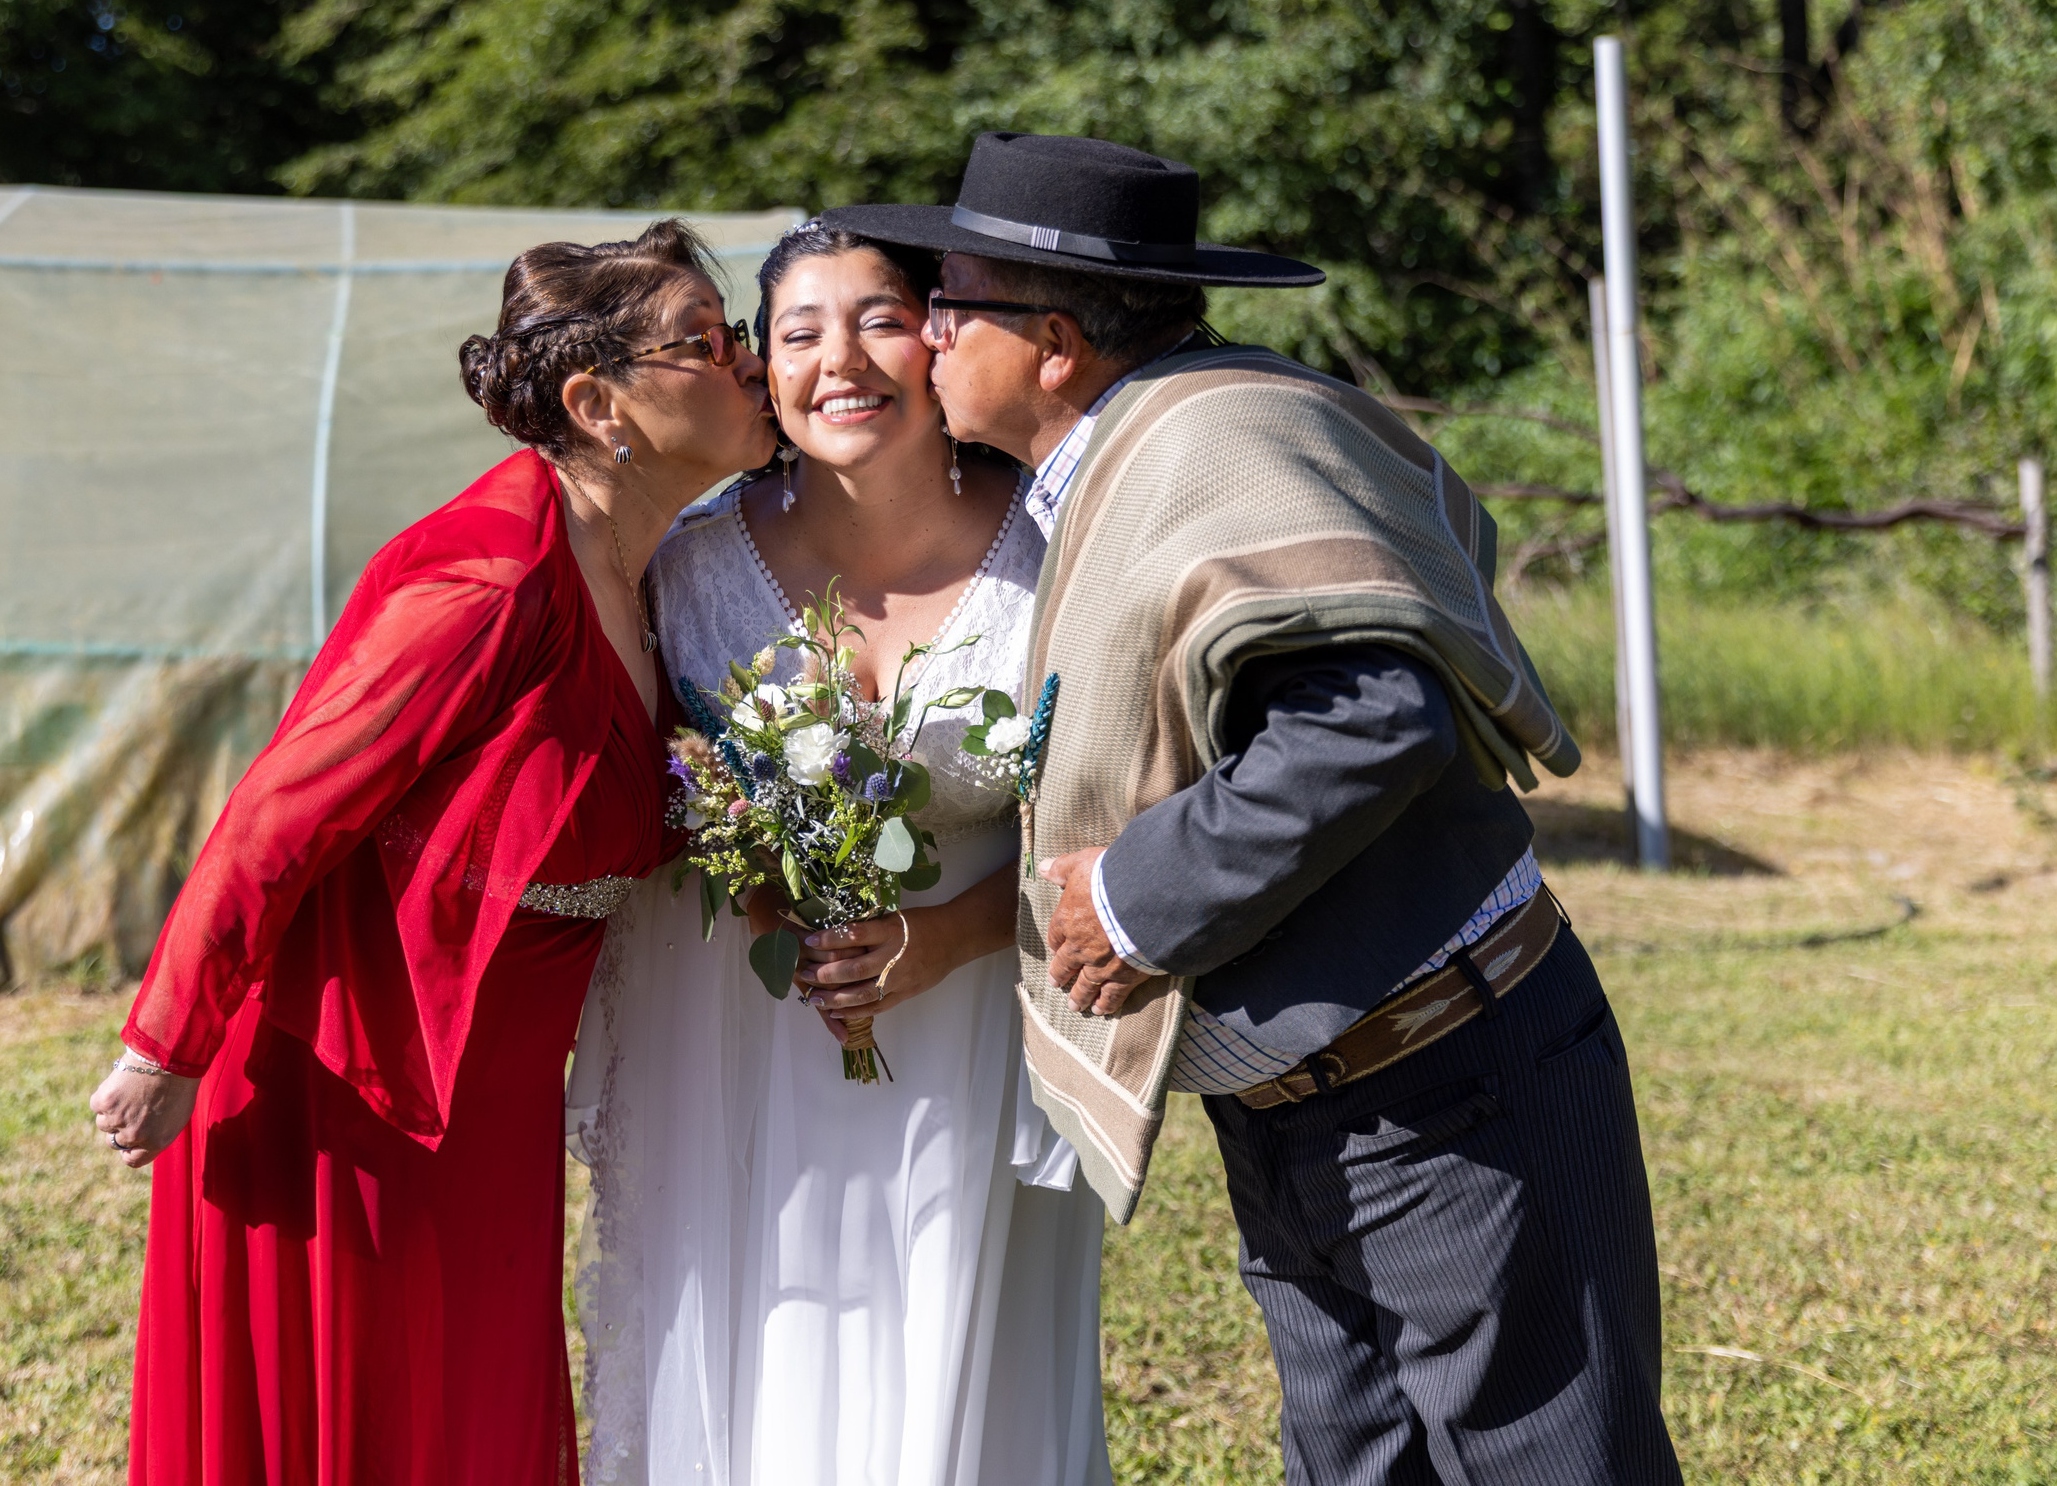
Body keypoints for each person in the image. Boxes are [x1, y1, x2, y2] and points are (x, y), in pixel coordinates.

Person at [823, 132, 1685, 1485]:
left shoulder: (1210, 441)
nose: (921, 339)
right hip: (1324, 1106)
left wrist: (1132, 899)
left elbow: (1371, 714)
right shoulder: (1158, 439)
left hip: (1446, 1094)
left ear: (1052, 342)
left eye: (949, 306)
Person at [85, 220, 776, 1486]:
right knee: (361, 1428)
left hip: (490, 1092)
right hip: (352, 1082)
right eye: (708, 342)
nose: (750, 363)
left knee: (465, 1421)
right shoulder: (488, 577)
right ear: (596, 401)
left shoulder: (657, 575)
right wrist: (164, 1041)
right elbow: (278, 809)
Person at [568, 220, 1112, 1486]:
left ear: (932, 339)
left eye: (875, 318)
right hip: (743, 1034)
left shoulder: (1053, 558)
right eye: (797, 331)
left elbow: (1108, 811)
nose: (838, 360)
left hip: (978, 1020)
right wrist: (762, 880)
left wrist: (948, 938)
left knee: (957, 1349)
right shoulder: (691, 563)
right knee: (771, 1323)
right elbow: (646, 787)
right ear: (764, 365)